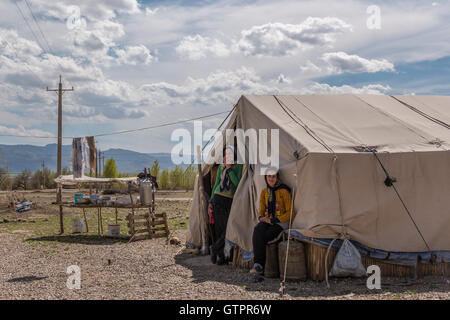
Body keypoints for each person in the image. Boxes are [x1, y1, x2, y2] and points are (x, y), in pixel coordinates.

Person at [250, 170, 292, 276]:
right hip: (268, 221)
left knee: (265, 236)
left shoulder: (284, 191)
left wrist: (274, 220)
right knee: (257, 229)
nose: (271, 179)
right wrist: (261, 218)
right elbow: (261, 210)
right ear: (266, 178)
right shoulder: (265, 192)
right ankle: (257, 264)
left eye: (273, 176)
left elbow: (290, 213)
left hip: (280, 222)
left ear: (277, 178)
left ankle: (260, 267)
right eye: (269, 176)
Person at [209, 145, 243, 265]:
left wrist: (229, 170)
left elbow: (238, 183)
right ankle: (221, 257)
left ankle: (214, 248)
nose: (227, 156)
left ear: (233, 155)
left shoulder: (238, 166)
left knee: (228, 228)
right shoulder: (220, 167)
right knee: (219, 228)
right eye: (225, 154)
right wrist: (210, 202)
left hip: (229, 200)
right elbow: (217, 184)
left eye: (229, 154)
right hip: (218, 198)